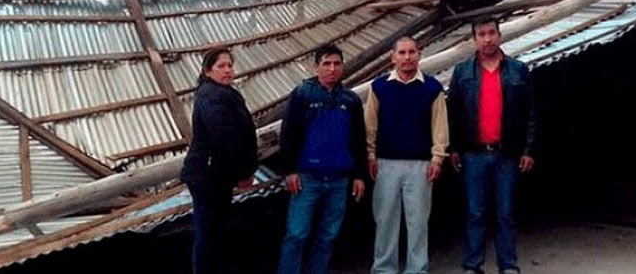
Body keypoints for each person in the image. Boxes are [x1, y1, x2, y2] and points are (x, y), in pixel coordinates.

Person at [447, 16, 536, 274]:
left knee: (505, 214)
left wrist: (528, 150)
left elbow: (530, 113)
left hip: (506, 153)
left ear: (500, 35)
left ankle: (508, 265)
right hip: (474, 154)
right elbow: (452, 113)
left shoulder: (518, 70)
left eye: (491, 33)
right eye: (482, 34)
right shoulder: (462, 71)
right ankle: (473, 266)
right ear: (474, 39)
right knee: (475, 213)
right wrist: (453, 148)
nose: (487, 39)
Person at [278, 44, 368, 274]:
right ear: (316, 67)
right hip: (307, 179)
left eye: (337, 64)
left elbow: (358, 140)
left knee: (328, 236)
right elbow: (288, 134)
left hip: (338, 180)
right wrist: (289, 170)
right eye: (326, 64)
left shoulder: (350, 100)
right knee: (297, 235)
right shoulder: (302, 95)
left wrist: (358, 175)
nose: (332, 69)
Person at [366, 37, 449, 274]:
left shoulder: (432, 88)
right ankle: (384, 268)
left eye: (412, 52)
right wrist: (370, 154)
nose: (407, 57)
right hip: (385, 164)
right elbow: (369, 124)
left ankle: (417, 268)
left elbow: (440, 126)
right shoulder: (379, 87)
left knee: (418, 222)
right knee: (385, 221)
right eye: (402, 53)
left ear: (419, 55)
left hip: (420, 165)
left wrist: (437, 158)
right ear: (393, 58)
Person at [180, 47, 258, 274]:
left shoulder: (224, 92)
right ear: (207, 71)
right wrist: (245, 172)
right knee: (209, 234)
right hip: (208, 176)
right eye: (221, 66)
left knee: (214, 233)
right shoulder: (212, 95)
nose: (227, 71)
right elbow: (225, 139)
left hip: (216, 175)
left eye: (230, 65)